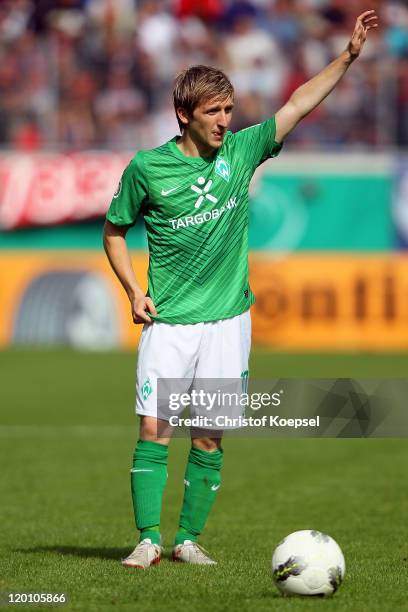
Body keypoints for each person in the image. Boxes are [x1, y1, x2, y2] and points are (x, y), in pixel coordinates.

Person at [103, 10, 378, 568]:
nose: (226, 121)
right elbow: (114, 231)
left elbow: (298, 103)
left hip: (230, 321)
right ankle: (148, 539)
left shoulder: (242, 151)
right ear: (184, 114)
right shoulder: (148, 168)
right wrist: (133, 290)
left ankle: (187, 541)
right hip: (171, 322)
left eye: (229, 109)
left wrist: (346, 58)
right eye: (214, 112)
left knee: (209, 437)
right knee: (155, 429)